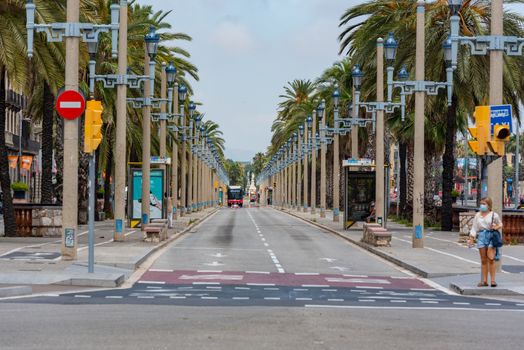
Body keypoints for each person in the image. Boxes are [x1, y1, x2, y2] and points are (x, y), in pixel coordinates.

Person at [468, 197, 503, 288]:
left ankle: (493, 280)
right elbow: (474, 228)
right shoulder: (478, 215)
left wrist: (496, 227)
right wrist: (472, 238)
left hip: (491, 236)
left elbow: (500, 224)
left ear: (488, 205)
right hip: (481, 236)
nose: (482, 205)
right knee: (483, 260)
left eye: (484, 204)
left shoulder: (493, 215)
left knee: (491, 259)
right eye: (481, 203)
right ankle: (484, 281)